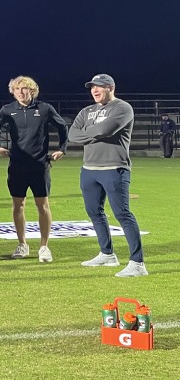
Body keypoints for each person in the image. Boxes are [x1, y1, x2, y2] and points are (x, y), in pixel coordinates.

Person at [69, 74, 148, 277]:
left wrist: (90, 131)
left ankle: (137, 263)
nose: (95, 91)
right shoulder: (87, 111)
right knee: (94, 212)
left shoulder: (122, 108)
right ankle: (107, 254)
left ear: (110, 87)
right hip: (89, 169)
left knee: (122, 214)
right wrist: (94, 132)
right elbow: (72, 135)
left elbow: (105, 129)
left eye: (100, 87)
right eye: (92, 88)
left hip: (114, 168)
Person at [0, 76, 68, 263]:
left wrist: (61, 149)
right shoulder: (8, 110)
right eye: (17, 89)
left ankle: (44, 246)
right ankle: (22, 244)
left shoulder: (44, 108)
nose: (21, 92)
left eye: (25, 88)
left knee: (43, 205)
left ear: (32, 90)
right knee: (18, 205)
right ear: (13, 91)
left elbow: (62, 126)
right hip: (17, 165)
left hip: (39, 165)